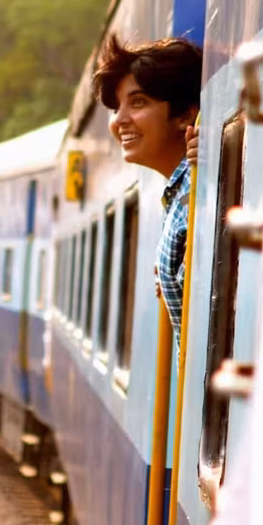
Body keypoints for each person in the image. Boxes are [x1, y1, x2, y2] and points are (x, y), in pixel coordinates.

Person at [90, 34, 202, 353]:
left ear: (185, 115)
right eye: (118, 106)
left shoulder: (202, 193)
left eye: (138, 102)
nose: (119, 120)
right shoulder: (179, 195)